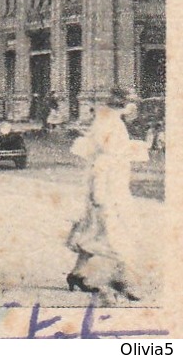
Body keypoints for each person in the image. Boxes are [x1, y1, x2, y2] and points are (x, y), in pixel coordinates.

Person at [66, 87, 148, 301]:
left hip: (112, 186)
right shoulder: (110, 122)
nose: (134, 107)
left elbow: (109, 151)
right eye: (133, 103)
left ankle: (77, 274)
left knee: (95, 233)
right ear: (125, 104)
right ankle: (122, 279)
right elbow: (102, 158)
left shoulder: (111, 120)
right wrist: (99, 193)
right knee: (118, 234)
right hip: (107, 189)